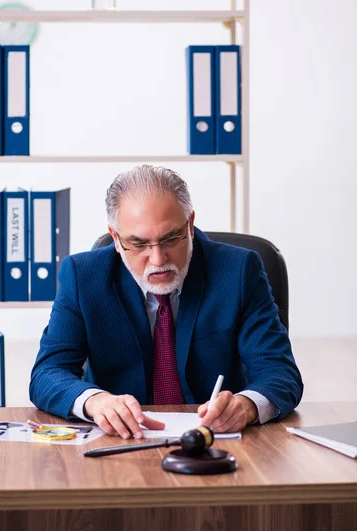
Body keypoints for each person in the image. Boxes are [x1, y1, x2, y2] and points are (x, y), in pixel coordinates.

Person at [30, 165, 303, 439]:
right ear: (115, 237)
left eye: (171, 238)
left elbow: (280, 373)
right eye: (138, 244)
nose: (158, 259)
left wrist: (246, 406)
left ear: (190, 224)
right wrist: (95, 401)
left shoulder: (239, 270)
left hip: (215, 442)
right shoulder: (83, 276)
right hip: (119, 441)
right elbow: (47, 373)